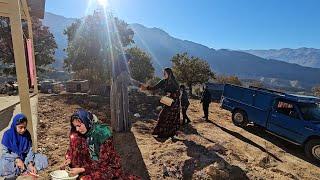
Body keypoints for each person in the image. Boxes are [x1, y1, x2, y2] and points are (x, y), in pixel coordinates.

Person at [62, 109, 139, 180]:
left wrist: (82, 169)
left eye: (79, 125)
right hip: (89, 165)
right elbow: (71, 149)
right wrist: (69, 158)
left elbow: (104, 163)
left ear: (87, 122)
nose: (77, 129)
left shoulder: (101, 134)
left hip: (106, 168)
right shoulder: (78, 133)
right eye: (75, 126)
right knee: (75, 138)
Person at [0, 114, 48, 178]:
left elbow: (30, 151)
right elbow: (5, 153)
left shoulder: (27, 134)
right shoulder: (7, 135)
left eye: (25, 127)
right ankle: (20, 170)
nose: (23, 130)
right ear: (15, 125)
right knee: (3, 165)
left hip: (25, 159)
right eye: (20, 127)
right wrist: (17, 159)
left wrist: (30, 164)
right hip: (12, 160)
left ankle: (25, 169)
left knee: (43, 159)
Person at [141, 68, 180, 138]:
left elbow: (178, 93)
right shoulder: (163, 81)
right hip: (167, 100)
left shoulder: (174, 82)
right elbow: (154, 87)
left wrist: (171, 94)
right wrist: (146, 88)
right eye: (163, 73)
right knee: (162, 115)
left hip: (174, 102)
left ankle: (169, 134)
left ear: (169, 74)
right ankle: (161, 133)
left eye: (165, 73)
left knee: (172, 118)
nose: (164, 75)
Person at [111, 55, 142, 132]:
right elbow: (129, 80)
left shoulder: (116, 71)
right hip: (120, 92)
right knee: (121, 108)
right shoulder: (123, 72)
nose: (129, 63)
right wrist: (141, 85)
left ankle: (116, 126)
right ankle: (121, 127)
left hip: (115, 92)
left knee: (116, 108)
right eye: (128, 61)